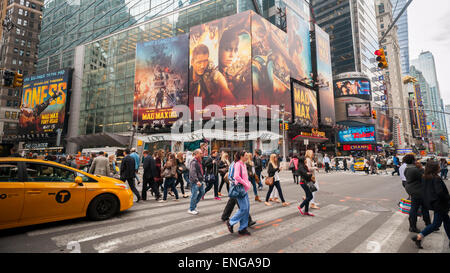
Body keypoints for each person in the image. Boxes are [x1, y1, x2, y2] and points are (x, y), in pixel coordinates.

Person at [411, 160, 450, 249]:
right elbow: (440, 192)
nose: (440, 167)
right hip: (440, 204)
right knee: (436, 224)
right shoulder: (436, 178)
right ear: (435, 169)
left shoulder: (425, 177)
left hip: (434, 203)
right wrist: (447, 198)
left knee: (447, 222)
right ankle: (419, 237)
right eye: (438, 166)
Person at [221, 152, 256, 227]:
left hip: (238, 187)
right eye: (245, 156)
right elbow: (231, 176)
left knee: (233, 202)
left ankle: (225, 216)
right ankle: (247, 221)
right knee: (243, 206)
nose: (247, 157)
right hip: (237, 187)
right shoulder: (235, 164)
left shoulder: (240, 164)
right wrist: (238, 183)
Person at [226, 151, 252, 236]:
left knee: (247, 209)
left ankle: (242, 228)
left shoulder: (244, 164)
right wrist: (245, 183)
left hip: (244, 189)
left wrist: (248, 183)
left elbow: (245, 176)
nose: (247, 157)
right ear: (241, 156)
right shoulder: (238, 164)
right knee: (244, 208)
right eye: (245, 156)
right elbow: (236, 176)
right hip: (240, 189)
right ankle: (231, 222)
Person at [404, 154, 431, 233]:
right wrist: (421, 169)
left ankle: (428, 224)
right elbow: (423, 178)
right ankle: (413, 227)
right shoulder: (414, 169)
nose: (416, 160)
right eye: (415, 159)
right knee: (415, 208)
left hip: (412, 189)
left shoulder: (407, 168)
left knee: (424, 206)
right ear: (412, 160)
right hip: (417, 191)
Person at [188, 149, 205, 215]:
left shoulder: (199, 161)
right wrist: (196, 180)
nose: (202, 154)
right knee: (194, 195)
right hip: (195, 181)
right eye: (200, 153)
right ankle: (191, 209)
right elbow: (193, 172)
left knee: (202, 192)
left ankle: (193, 206)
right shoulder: (194, 161)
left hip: (200, 180)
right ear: (196, 154)